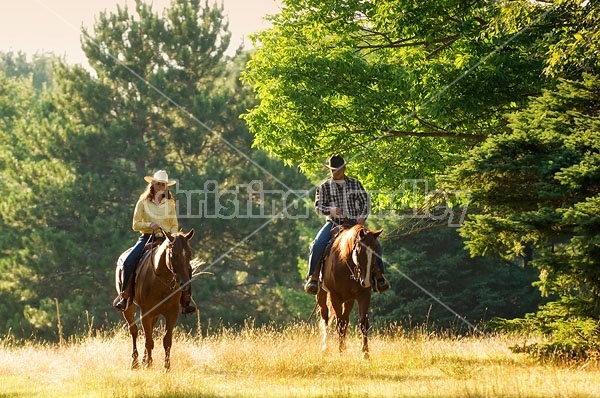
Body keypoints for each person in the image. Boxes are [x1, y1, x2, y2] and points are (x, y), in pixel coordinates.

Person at [304, 154, 390, 295]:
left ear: (344, 168)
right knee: (317, 244)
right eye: (332, 170)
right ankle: (313, 278)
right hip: (333, 223)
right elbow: (318, 207)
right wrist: (330, 210)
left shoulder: (354, 183)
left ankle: (379, 277)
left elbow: (365, 202)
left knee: (374, 244)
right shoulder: (324, 186)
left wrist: (362, 217)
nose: (335, 172)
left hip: (354, 224)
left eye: (337, 169)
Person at [114, 170, 197, 314]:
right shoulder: (143, 203)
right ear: (152, 185)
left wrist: (171, 235)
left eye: (163, 185)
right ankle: (125, 296)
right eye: (158, 184)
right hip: (147, 237)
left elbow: (174, 225)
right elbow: (135, 224)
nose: (161, 187)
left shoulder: (170, 204)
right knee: (128, 261)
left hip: (167, 239)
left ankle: (186, 300)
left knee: (185, 265)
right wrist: (149, 226)